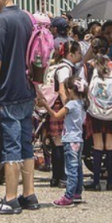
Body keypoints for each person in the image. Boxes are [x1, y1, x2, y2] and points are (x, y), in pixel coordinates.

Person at [0, 0, 39, 215]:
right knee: (26, 145)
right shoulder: (27, 18)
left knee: (11, 147)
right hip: (27, 89)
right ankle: (29, 194)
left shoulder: (1, 22)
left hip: (8, 92)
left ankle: (10, 198)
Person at [38, 76, 88, 207]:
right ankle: (77, 192)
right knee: (77, 168)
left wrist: (45, 106)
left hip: (70, 140)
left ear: (70, 90)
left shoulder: (71, 104)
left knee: (70, 169)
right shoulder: (83, 103)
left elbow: (56, 115)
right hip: (78, 139)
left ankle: (68, 196)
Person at [84, 36, 112, 191]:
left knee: (98, 144)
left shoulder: (89, 66)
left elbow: (84, 86)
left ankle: (95, 181)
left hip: (95, 109)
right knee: (111, 143)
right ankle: (110, 181)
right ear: (108, 50)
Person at [47, 41, 82, 188]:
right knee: (59, 141)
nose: (80, 55)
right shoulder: (65, 69)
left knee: (57, 141)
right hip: (60, 105)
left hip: (57, 105)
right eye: (79, 53)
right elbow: (62, 89)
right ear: (71, 54)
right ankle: (60, 176)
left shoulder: (64, 66)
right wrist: (69, 106)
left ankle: (56, 176)